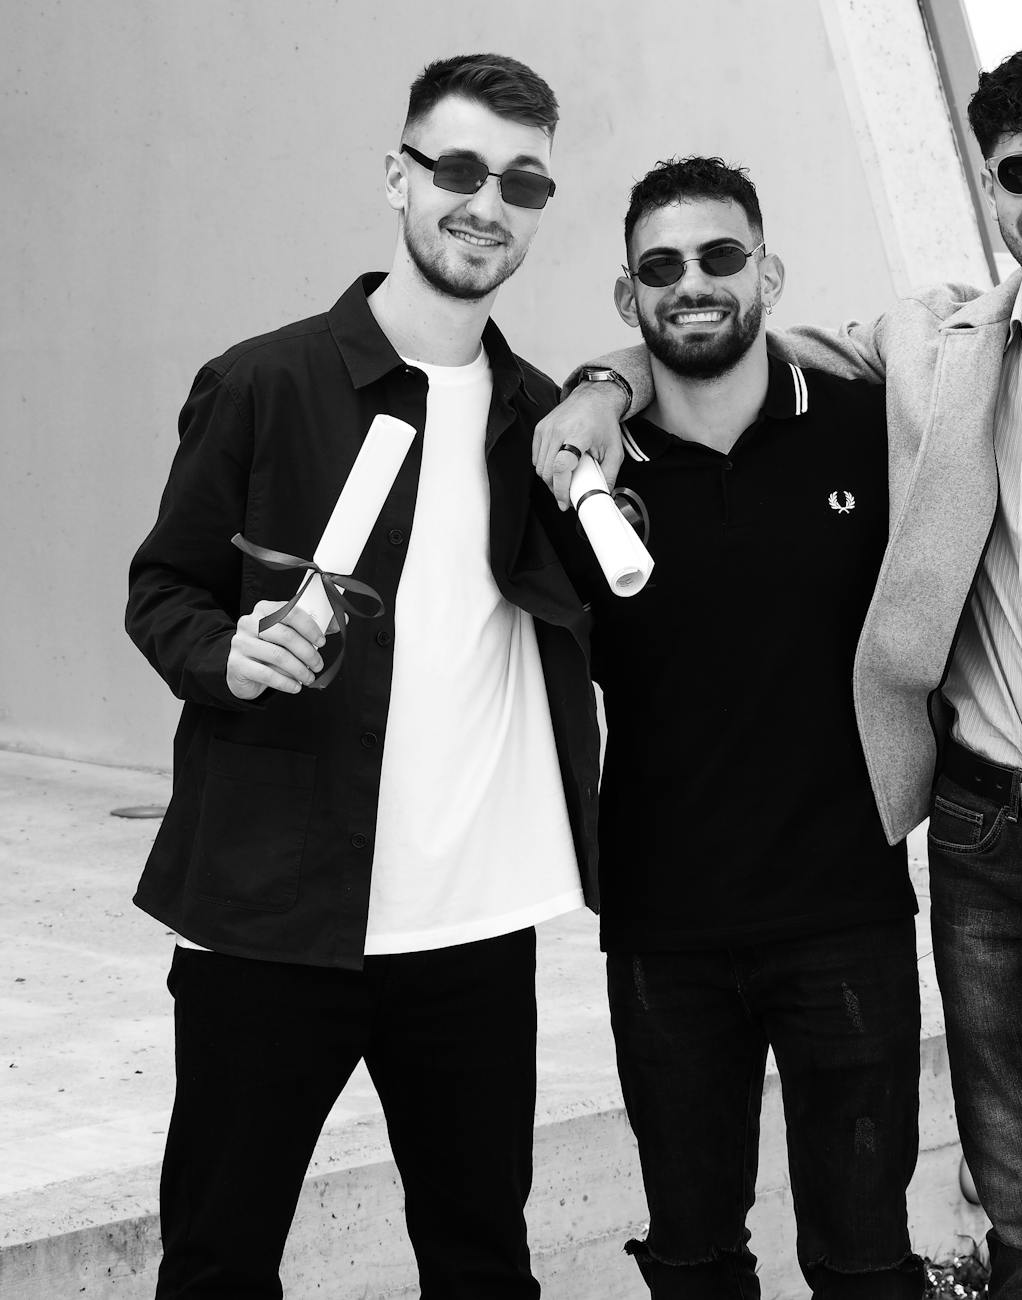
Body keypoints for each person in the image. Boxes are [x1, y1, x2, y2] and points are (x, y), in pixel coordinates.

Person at [534, 44, 1022, 1300]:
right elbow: (721, 335)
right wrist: (601, 378)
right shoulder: (937, 351)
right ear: (991, 183)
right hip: (982, 849)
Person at [126, 53, 598, 1298]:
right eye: (456, 168)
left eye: (523, 181)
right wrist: (224, 653)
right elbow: (164, 587)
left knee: (485, 1264)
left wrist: (612, 383)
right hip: (274, 914)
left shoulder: (540, 422)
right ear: (399, 175)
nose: (486, 203)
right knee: (219, 1262)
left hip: (473, 928)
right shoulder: (265, 383)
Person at [554, 156, 926, 1298]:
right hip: (664, 926)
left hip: (844, 912)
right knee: (692, 1248)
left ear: (768, 271)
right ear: (629, 299)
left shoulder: (872, 430)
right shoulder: (581, 471)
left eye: (720, 257)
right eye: (659, 267)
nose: (693, 284)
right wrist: (599, 394)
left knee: (865, 1255)